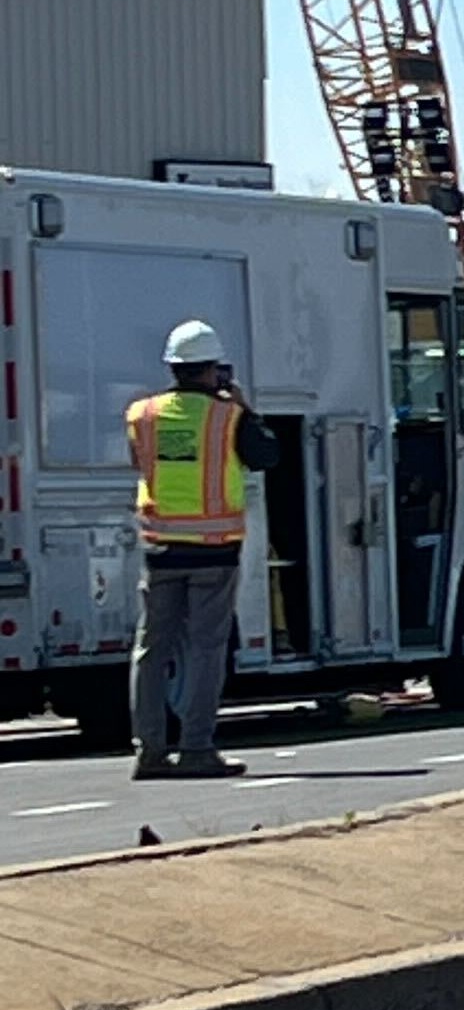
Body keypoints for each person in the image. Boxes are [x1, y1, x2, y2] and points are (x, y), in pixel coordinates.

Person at [125, 319, 279, 780]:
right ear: (213, 370)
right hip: (214, 551)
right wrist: (245, 408)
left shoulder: (142, 415)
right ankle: (196, 748)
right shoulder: (227, 417)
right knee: (206, 649)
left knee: (151, 650)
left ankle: (149, 751)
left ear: (173, 368)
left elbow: (143, 464)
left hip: (160, 549)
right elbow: (266, 456)